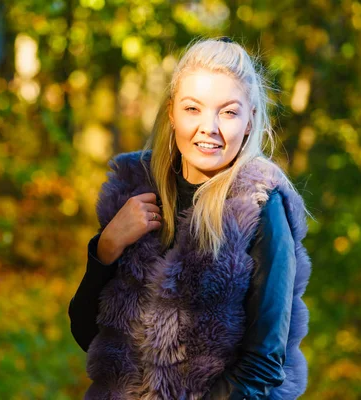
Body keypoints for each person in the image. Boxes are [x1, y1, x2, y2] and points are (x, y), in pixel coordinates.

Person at [68, 36, 312, 399]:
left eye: (228, 112)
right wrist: (107, 246)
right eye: (192, 108)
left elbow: (262, 364)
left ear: (249, 121)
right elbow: (89, 333)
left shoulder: (260, 205)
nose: (209, 127)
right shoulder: (135, 188)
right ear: (172, 112)